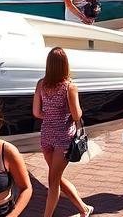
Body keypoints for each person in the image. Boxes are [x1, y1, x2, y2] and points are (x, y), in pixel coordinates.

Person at [32, 48, 92, 217]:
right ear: (65, 65)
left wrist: (50, 115)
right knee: (54, 180)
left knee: (54, 178)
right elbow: (76, 115)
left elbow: (36, 112)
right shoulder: (70, 87)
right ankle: (83, 209)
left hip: (46, 135)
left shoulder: (40, 84)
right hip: (63, 138)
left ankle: (81, 210)